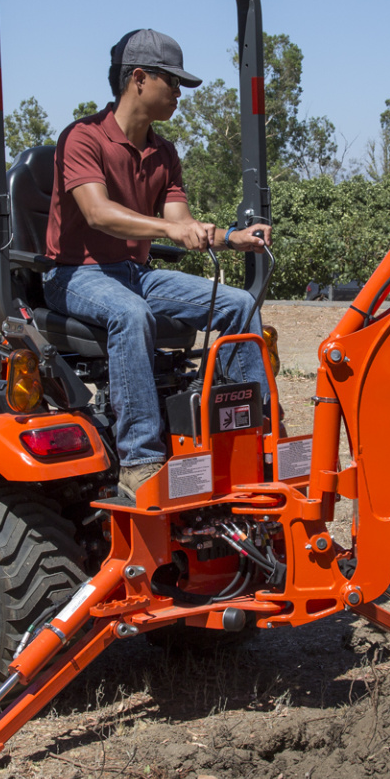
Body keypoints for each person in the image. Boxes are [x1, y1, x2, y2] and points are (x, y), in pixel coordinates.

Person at [42, 29, 272, 494]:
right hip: (73, 274)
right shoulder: (82, 138)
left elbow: (180, 220)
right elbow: (98, 213)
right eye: (174, 83)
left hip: (135, 274)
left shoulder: (164, 153)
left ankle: (256, 436)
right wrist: (168, 229)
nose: (180, 96)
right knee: (131, 314)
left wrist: (230, 237)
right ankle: (141, 459)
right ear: (140, 79)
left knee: (239, 305)